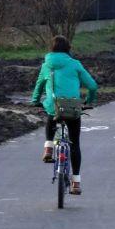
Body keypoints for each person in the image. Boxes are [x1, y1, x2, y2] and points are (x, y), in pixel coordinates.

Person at [31, 35, 98, 195]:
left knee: (51, 112)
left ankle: (48, 148)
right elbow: (93, 85)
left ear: (51, 49)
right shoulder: (75, 64)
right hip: (73, 108)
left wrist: (35, 101)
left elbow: (39, 85)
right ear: (68, 49)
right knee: (75, 144)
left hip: (54, 107)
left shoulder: (46, 65)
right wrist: (88, 100)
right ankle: (76, 183)